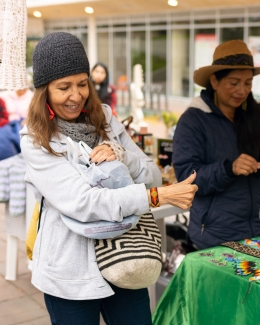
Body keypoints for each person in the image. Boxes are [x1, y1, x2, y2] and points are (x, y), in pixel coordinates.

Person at [20, 32, 198, 325]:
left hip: (128, 259)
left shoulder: (105, 118)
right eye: (63, 87)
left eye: (82, 84)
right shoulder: (36, 140)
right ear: (44, 91)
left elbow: (152, 173)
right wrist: (154, 197)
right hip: (71, 274)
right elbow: (83, 202)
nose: (76, 95)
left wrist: (122, 155)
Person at [172, 39, 260, 250]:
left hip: (255, 235)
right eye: (234, 82)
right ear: (214, 81)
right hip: (213, 238)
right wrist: (229, 168)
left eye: (247, 83)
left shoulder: (255, 116)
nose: (242, 90)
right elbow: (186, 178)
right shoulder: (194, 120)